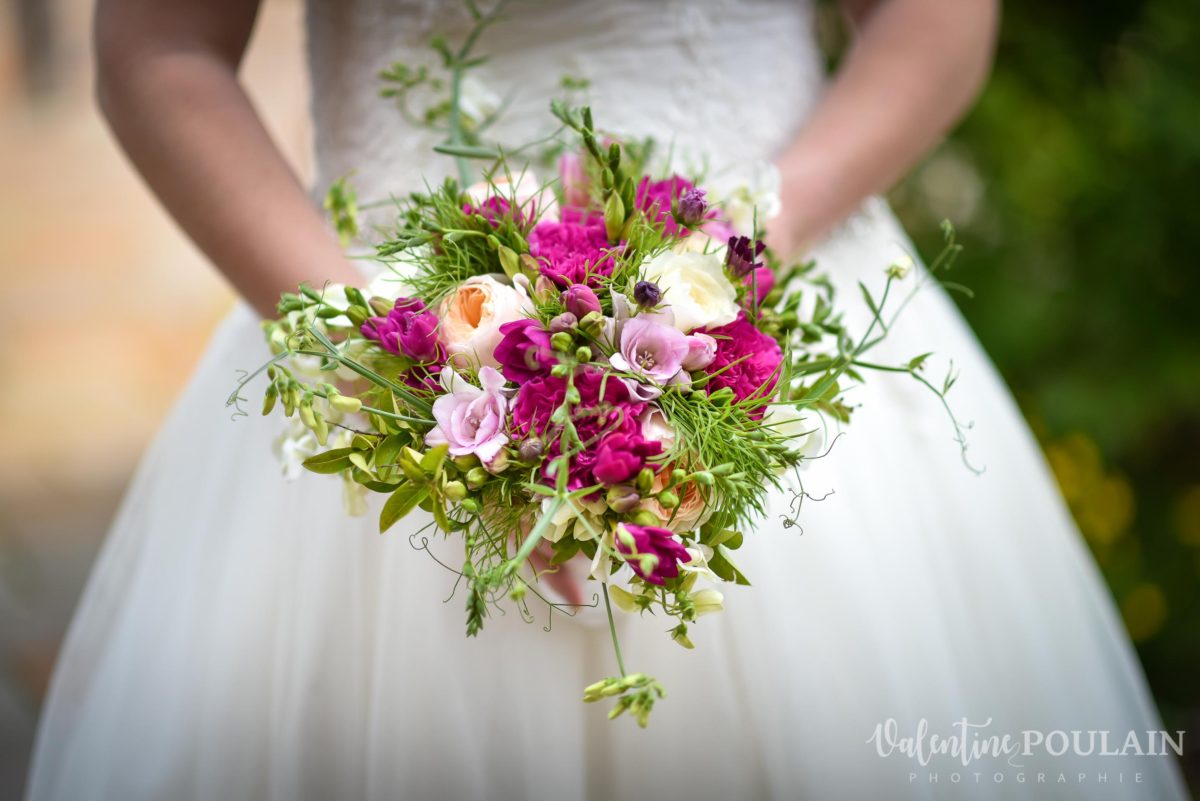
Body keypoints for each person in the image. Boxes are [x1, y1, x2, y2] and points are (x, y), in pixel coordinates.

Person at [26, 1, 1191, 799]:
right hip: (385, 327)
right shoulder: (386, 356)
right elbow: (158, 47)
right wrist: (385, 354)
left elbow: (935, 21)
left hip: (764, 301)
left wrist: (744, 246)